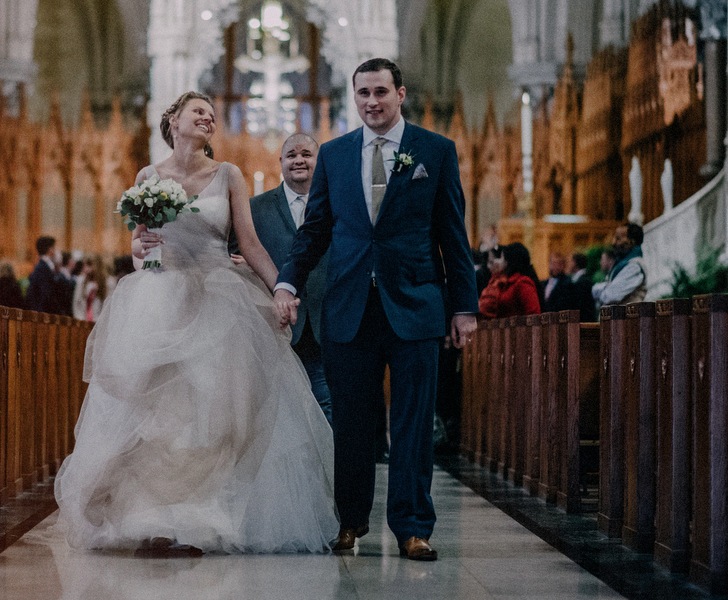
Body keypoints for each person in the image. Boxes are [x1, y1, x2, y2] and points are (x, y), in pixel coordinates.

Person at [55, 91, 336, 555]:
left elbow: (249, 243)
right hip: (160, 297)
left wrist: (283, 289)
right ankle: (151, 517)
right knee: (157, 415)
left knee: (211, 414)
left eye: (211, 114)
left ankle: (201, 515)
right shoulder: (149, 176)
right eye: (197, 112)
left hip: (219, 299)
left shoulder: (228, 174)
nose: (207, 118)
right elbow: (139, 245)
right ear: (174, 120)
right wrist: (139, 251)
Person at [273, 58, 478, 562]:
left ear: (400, 93)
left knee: (411, 422)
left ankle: (413, 527)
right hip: (349, 307)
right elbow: (315, 230)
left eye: (381, 92)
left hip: (415, 304)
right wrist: (286, 280)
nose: (372, 102)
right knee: (352, 423)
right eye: (363, 93)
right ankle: (350, 521)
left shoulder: (436, 151)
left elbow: (454, 237)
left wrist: (464, 307)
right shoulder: (337, 155)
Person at [248, 132, 333, 424]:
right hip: (273, 325)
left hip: (325, 321)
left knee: (327, 408)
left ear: (319, 161)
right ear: (280, 161)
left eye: (307, 154)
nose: (299, 160)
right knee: (278, 414)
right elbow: (236, 253)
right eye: (292, 155)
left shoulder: (337, 204)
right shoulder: (254, 208)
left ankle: (327, 470)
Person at [478, 243, 542, 319]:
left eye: (502, 258)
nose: (498, 262)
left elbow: (533, 313)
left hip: (519, 328)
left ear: (509, 260)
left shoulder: (522, 282)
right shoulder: (505, 281)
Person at [592, 222, 647, 308]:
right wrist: (607, 287)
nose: (613, 242)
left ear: (632, 241)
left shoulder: (634, 266)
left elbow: (610, 296)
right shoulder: (620, 264)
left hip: (628, 320)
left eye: (618, 239)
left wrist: (603, 288)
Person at [27, 236, 70, 315]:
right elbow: (46, 294)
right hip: (43, 314)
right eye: (54, 248)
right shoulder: (43, 268)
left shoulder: (43, 267)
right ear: (50, 250)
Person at [566, 252, 598, 322]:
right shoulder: (577, 279)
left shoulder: (583, 281)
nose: (568, 264)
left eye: (570, 261)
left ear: (574, 263)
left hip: (583, 321)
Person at [80, 255, 112, 321]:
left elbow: (109, 305)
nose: (86, 269)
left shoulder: (108, 282)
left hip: (99, 321)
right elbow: (77, 302)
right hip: (83, 321)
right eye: (84, 265)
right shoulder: (82, 281)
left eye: (89, 265)